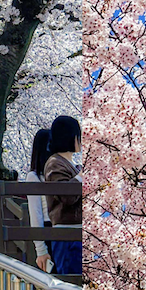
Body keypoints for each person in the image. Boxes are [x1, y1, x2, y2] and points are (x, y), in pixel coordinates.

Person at [43, 115, 81, 275]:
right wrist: (80, 177)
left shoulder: (71, 164)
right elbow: (66, 197)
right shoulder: (55, 163)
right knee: (71, 283)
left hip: (76, 233)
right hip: (67, 233)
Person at [25, 129, 53, 272]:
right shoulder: (34, 177)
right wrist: (41, 250)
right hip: (47, 231)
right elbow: (35, 214)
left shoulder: (60, 174)